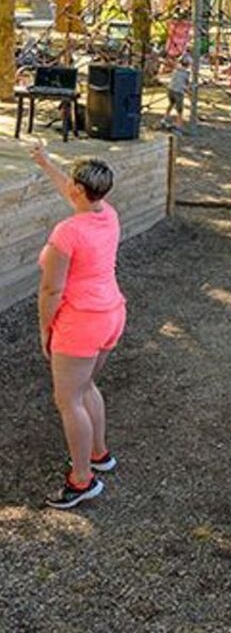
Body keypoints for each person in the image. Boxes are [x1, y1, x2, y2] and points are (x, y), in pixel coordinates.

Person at [32, 145, 125, 509]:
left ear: (77, 189)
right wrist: (45, 163)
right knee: (86, 387)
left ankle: (82, 479)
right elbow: (73, 193)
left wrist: (45, 329)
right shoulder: (108, 213)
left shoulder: (66, 233)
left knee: (68, 400)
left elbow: (51, 289)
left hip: (80, 322)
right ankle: (100, 454)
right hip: (111, 314)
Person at [160, 54, 191, 135]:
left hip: (170, 89)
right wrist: (189, 91)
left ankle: (165, 119)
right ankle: (178, 127)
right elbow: (186, 84)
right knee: (180, 110)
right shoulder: (186, 73)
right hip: (178, 91)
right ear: (188, 64)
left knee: (171, 104)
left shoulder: (176, 69)